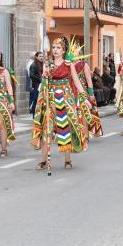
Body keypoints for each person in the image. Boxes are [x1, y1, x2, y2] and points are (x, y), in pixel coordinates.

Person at [32, 38, 91, 170]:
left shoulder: (69, 64)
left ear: (63, 50)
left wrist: (84, 98)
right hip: (51, 97)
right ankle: (44, 160)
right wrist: (46, 74)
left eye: (58, 47)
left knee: (66, 128)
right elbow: (44, 81)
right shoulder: (47, 64)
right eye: (53, 47)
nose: (55, 50)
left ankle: (67, 160)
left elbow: (77, 82)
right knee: (47, 126)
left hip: (65, 97)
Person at [72, 43, 103, 138]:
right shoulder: (68, 65)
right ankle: (77, 135)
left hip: (82, 93)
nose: (73, 53)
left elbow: (89, 81)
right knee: (74, 115)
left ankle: (85, 136)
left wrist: (91, 94)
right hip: (71, 92)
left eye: (75, 51)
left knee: (84, 114)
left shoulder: (83, 65)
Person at [29, 52, 43, 116]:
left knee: (40, 101)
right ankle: (34, 116)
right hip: (36, 86)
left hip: (41, 86)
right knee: (36, 101)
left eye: (42, 56)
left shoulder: (41, 64)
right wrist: (40, 79)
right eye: (40, 56)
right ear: (36, 57)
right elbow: (31, 75)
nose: (41, 57)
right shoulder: (33, 65)